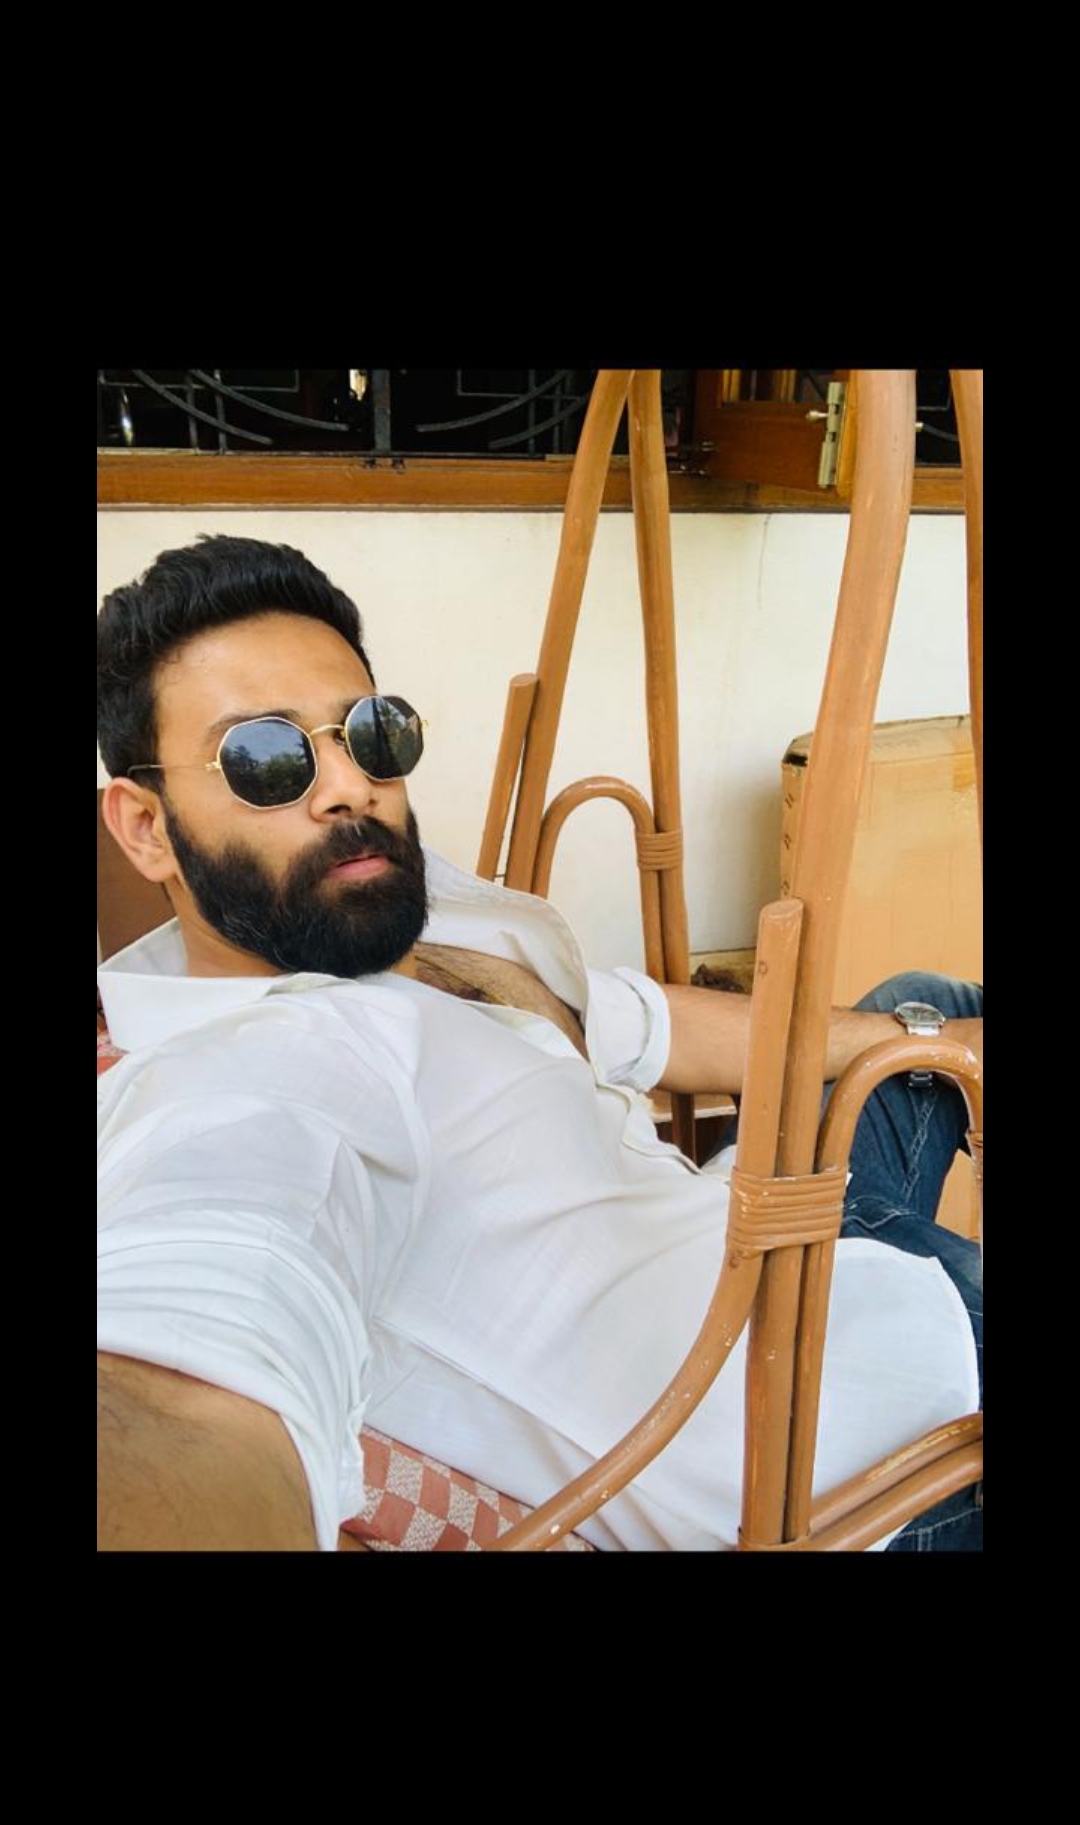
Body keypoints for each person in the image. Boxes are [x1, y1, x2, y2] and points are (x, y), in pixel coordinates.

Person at [97, 535, 983, 1552]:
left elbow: (644, 1025)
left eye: (371, 733)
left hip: (768, 1242)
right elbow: (193, 1357)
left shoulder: (368, 919)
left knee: (929, 1002)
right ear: (146, 828)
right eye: (266, 759)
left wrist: (935, 1039)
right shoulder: (255, 1069)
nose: (348, 786)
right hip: (865, 1432)